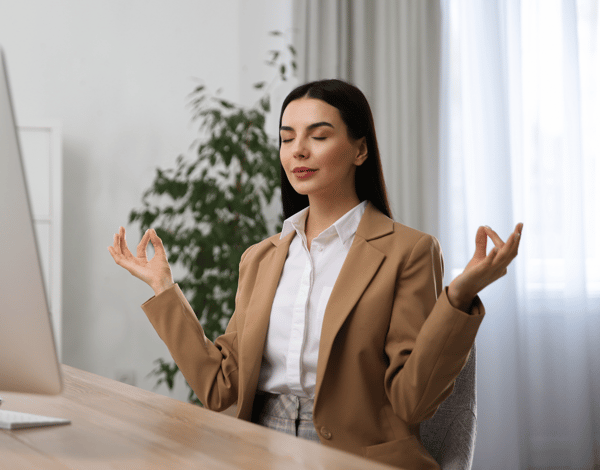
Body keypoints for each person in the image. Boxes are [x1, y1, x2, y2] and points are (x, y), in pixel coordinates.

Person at [108, 79, 521, 469]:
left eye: (318, 136)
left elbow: (413, 401)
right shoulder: (259, 258)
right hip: (259, 448)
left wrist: (460, 296)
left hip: (357, 457)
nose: (298, 151)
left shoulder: (408, 251)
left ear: (360, 150)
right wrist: (163, 287)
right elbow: (220, 388)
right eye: (287, 138)